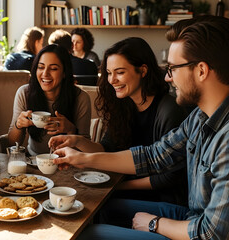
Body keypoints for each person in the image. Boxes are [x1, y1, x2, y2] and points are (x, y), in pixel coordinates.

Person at [51, 16, 229, 239]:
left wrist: (155, 224)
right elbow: (153, 156)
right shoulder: (199, 118)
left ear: (201, 71)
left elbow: (212, 233)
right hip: (192, 216)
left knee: (86, 235)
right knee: (98, 210)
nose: (167, 77)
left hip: (199, 229)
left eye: (172, 68)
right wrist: (80, 158)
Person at [50, 37, 188, 206]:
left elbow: (169, 177)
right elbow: (107, 149)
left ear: (143, 71)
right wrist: (77, 141)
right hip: (123, 190)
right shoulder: (123, 104)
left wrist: (118, 187)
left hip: (160, 199)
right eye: (109, 73)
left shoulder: (168, 110)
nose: (111, 80)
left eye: (120, 72)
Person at [8, 44, 91, 156]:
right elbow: (11, 143)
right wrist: (19, 125)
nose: (45, 74)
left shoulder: (81, 98)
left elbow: (86, 151)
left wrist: (71, 130)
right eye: (41, 67)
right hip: (33, 161)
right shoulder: (24, 93)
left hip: (67, 163)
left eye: (53, 69)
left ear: (64, 73)